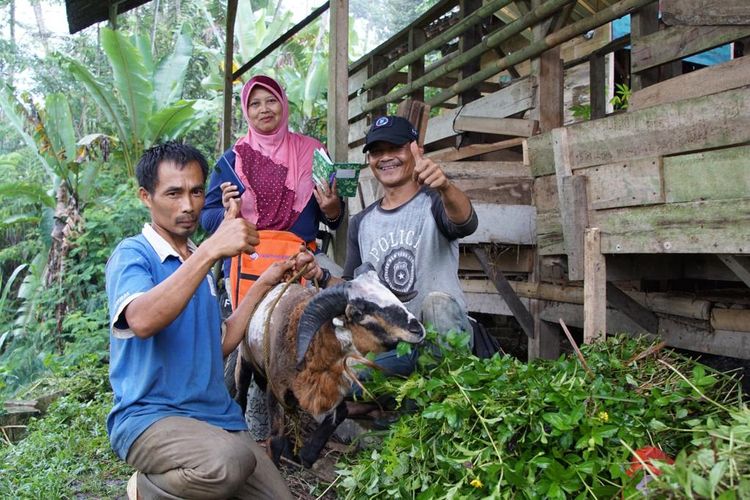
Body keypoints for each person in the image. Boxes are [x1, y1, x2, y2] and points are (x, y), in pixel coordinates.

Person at [106, 141, 303, 499]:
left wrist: (266, 281)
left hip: (215, 416)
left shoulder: (196, 258)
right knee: (229, 462)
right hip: (150, 418)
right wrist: (212, 249)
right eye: (173, 193)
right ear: (145, 197)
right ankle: (145, 489)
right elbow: (142, 320)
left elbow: (221, 341)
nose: (188, 205)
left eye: (197, 192)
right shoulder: (133, 254)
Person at [341, 115, 479, 377]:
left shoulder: (435, 202)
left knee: (437, 304)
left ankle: (447, 393)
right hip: (394, 345)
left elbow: (466, 223)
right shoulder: (361, 223)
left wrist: (446, 187)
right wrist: (321, 274)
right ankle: (390, 405)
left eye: (395, 148)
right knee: (344, 377)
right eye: (377, 152)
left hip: (444, 336)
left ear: (417, 151)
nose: (385, 157)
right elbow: (350, 286)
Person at [200, 74, 344, 303]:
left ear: (283, 104)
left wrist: (333, 208)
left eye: (271, 100)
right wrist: (227, 215)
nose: (264, 109)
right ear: (247, 111)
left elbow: (334, 220)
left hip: (304, 261)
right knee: (244, 333)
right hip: (247, 259)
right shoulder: (231, 160)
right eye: (255, 104)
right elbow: (206, 217)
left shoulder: (315, 153)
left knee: (351, 302)